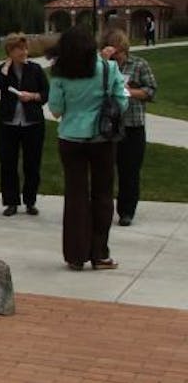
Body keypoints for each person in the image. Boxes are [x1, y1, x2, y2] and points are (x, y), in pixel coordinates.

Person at [47, 25, 128, 271]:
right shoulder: (108, 68)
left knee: (75, 195)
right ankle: (100, 253)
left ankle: (75, 254)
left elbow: (56, 109)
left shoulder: (59, 73)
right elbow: (122, 100)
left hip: (71, 138)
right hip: (101, 139)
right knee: (103, 194)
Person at [0, 34, 48, 216]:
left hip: (32, 122)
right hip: (8, 123)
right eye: (19, 49)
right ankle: (11, 201)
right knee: (8, 163)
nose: (24, 52)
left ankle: (30, 201)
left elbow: (46, 93)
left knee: (32, 163)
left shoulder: (36, 69)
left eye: (25, 48)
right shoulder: (2, 70)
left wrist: (32, 96)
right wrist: (6, 67)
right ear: (10, 51)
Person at [103, 28, 157, 226]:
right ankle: (104, 209)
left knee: (130, 171)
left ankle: (127, 211)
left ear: (124, 50)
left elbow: (151, 91)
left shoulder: (139, 64)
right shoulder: (103, 66)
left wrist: (130, 91)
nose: (115, 57)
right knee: (106, 171)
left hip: (133, 125)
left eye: (117, 53)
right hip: (109, 125)